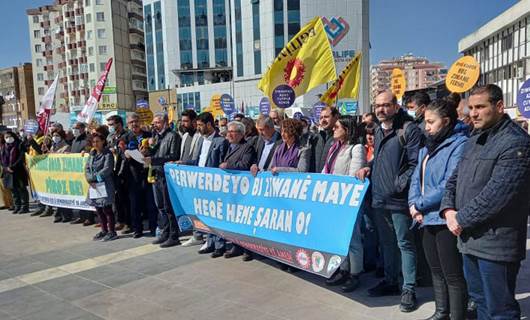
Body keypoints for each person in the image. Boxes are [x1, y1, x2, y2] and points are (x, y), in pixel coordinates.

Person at [440, 84, 530, 319]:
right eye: (470, 107)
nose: (473, 113)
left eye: (480, 107)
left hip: (496, 244)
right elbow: (455, 179)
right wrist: (448, 209)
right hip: (469, 238)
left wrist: (460, 219)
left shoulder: (516, 142)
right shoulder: (474, 137)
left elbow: (498, 195)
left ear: (499, 106)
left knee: (500, 310)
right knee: (479, 302)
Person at [356, 91, 422, 312]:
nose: (381, 109)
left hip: (398, 199)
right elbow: (381, 157)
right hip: (379, 198)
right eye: (378, 105)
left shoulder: (408, 129)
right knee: (387, 244)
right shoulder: (377, 128)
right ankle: (391, 281)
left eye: (386, 105)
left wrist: (398, 185)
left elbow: (415, 164)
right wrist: (369, 167)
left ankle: (408, 288)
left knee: (404, 243)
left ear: (396, 106)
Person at [408, 99, 469, 320]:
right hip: (425, 218)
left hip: (444, 217)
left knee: (452, 273)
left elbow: (449, 183)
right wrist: (413, 204)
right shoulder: (427, 147)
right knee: (435, 270)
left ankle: (457, 315)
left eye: (431, 122)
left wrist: (420, 204)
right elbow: (416, 178)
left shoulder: (459, 144)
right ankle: (441, 311)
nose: (427, 127)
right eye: (425, 122)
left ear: (445, 121)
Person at [322, 116, 366, 292]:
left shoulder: (356, 148)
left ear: (347, 130)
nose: (334, 129)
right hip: (332, 199)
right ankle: (343, 269)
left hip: (347, 200)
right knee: (339, 237)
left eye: (337, 127)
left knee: (353, 238)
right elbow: (326, 170)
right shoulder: (334, 147)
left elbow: (353, 175)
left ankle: (355, 274)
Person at [184, 112, 229, 250]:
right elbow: (198, 160)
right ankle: (209, 241)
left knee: (216, 215)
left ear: (209, 124)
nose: (198, 128)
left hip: (214, 184)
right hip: (201, 183)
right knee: (206, 214)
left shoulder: (221, 141)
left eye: (200, 125)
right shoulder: (202, 140)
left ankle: (219, 244)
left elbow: (222, 163)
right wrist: (183, 163)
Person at [216, 121, 256, 260]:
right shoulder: (229, 146)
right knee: (232, 219)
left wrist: (228, 165)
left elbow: (245, 164)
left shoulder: (247, 147)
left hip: (242, 190)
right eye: (229, 131)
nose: (229, 134)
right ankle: (236, 245)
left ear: (241, 134)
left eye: (233, 132)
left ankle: (247, 249)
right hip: (230, 189)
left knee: (243, 220)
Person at [145, 112, 182, 248]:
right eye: (154, 123)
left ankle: (174, 235)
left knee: (168, 207)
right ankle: (165, 233)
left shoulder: (173, 136)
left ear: (165, 123)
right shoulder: (155, 137)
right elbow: (152, 153)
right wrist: (147, 149)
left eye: (158, 122)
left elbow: (173, 155)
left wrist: (153, 159)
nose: (154, 125)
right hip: (156, 174)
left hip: (166, 175)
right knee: (160, 206)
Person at [85, 128, 117, 241]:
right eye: (93, 142)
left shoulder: (107, 154)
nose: (95, 144)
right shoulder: (92, 154)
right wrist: (89, 179)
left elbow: (107, 169)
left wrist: (95, 178)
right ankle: (104, 230)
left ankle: (112, 231)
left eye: (97, 141)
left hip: (105, 184)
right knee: (98, 209)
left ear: (103, 141)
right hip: (94, 186)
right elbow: (87, 168)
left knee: (107, 209)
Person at [107, 115, 132, 232]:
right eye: (109, 125)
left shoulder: (127, 136)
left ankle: (128, 223)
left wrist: (120, 150)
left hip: (125, 171)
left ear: (119, 124)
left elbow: (127, 154)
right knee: (117, 199)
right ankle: (120, 220)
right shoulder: (111, 137)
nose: (110, 127)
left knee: (126, 199)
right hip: (114, 171)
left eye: (112, 124)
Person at [69, 121, 95, 225]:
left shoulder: (87, 139)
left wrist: (85, 151)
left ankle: (90, 217)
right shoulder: (74, 140)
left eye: (77, 128)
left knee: (87, 194)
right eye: (73, 128)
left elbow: (90, 150)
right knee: (79, 194)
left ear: (82, 129)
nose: (74, 130)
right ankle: (82, 216)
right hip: (76, 171)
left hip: (85, 171)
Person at [1, 132, 29, 214]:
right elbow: (1, 160)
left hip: (18, 171)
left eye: (10, 136)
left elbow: (21, 157)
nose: (8, 138)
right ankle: (17, 206)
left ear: (14, 136)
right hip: (8, 172)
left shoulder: (19, 145)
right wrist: (6, 168)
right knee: (13, 190)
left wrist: (12, 167)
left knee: (21, 189)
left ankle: (25, 207)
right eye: (6, 137)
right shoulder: (3, 147)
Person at [49, 129, 73, 223]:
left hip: (63, 174)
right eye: (53, 135)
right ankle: (59, 214)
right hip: (55, 174)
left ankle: (67, 214)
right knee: (57, 195)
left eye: (57, 135)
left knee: (64, 195)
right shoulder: (52, 146)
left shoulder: (66, 147)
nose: (55, 137)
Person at [312, 106, 339, 173]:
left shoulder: (339, 138)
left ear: (335, 117)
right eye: (321, 118)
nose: (323, 120)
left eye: (326, 117)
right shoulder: (315, 138)